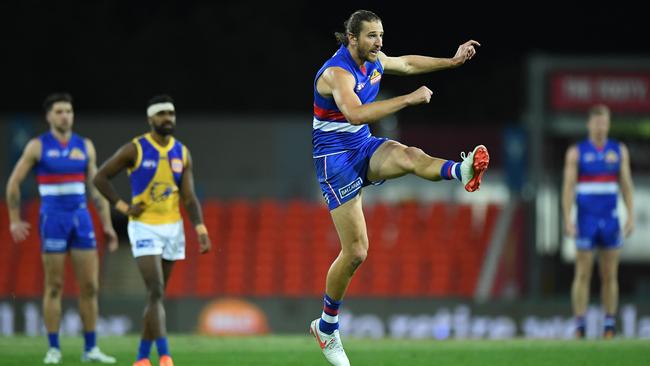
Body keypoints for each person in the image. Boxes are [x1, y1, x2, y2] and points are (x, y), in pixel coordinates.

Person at [309, 10, 488, 365]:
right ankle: (326, 327)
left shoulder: (374, 60)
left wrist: (452, 62)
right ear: (352, 39)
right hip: (335, 160)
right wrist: (408, 100)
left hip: (362, 145)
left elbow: (406, 64)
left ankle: (461, 169)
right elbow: (356, 114)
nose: (379, 42)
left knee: (409, 155)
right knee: (357, 251)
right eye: (372, 36)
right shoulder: (336, 72)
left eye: (381, 35)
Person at [93, 95, 211, 366]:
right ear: (150, 119)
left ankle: (141, 358)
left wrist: (200, 227)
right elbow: (100, 177)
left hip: (173, 228)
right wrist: (123, 207)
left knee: (156, 296)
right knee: (155, 289)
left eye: (170, 113)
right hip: (144, 226)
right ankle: (165, 355)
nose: (167, 118)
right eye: (161, 114)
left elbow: (189, 197)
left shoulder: (181, 152)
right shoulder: (135, 149)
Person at [6, 92, 118, 364]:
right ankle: (54, 348)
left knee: (90, 286)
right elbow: (13, 183)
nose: (65, 115)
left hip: (81, 219)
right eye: (59, 111)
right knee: (53, 286)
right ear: (49, 116)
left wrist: (107, 224)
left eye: (68, 110)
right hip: (53, 219)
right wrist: (14, 219)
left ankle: (91, 349)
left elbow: (96, 188)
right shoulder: (38, 146)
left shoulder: (85, 146)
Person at [562, 104, 634, 339]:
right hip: (586, 218)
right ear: (589, 124)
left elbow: (626, 184)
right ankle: (580, 325)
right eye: (597, 122)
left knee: (609, 273)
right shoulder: (577, 152)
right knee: (583, 273)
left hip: (610, 218)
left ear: (609, 124)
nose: (601, 126)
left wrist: (630, 215)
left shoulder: (618, 151)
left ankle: (609, 326)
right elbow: (568, 187)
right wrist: (567, 217)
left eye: (605, 122)